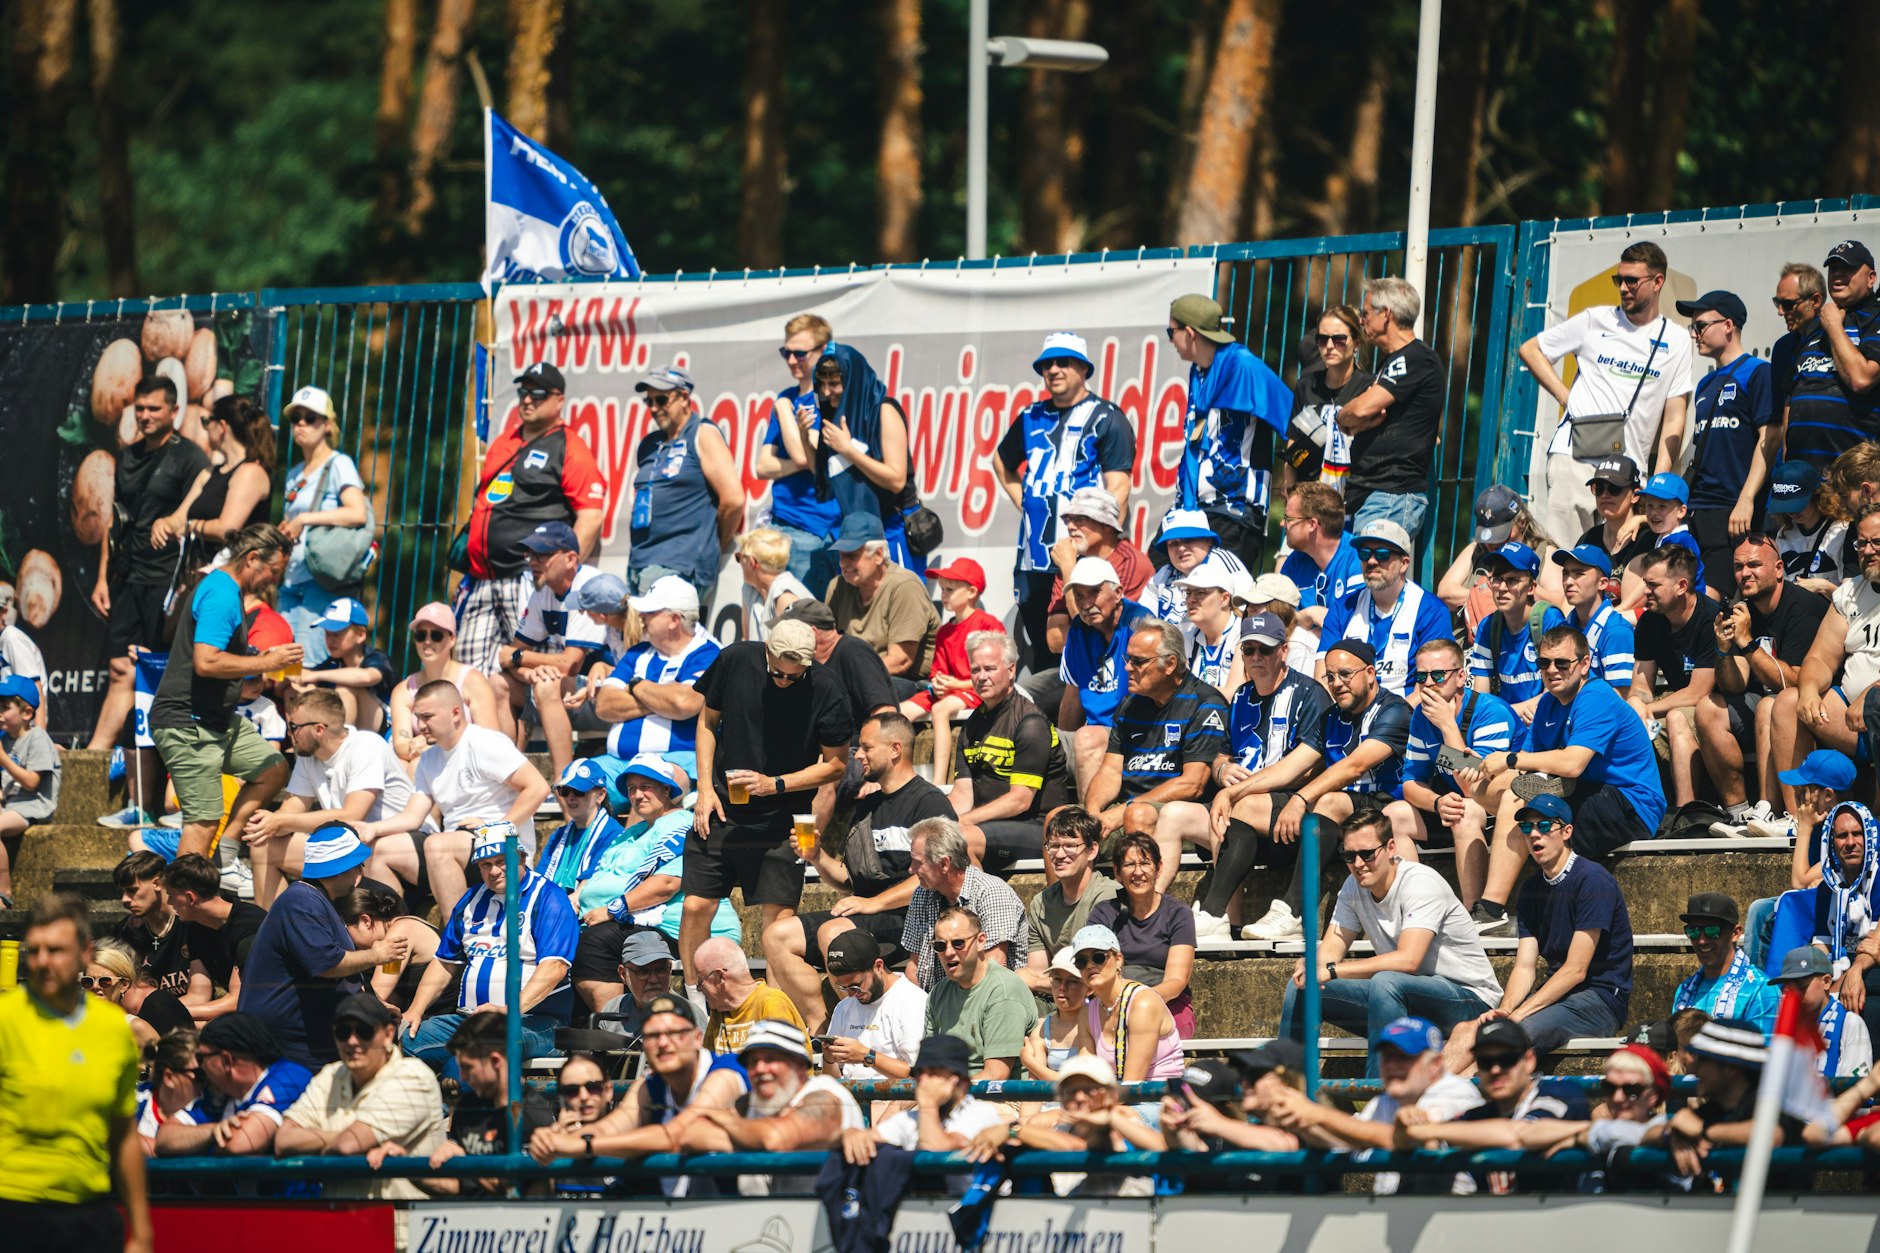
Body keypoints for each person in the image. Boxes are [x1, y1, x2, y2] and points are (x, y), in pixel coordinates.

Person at [1466, 625, 1664, 935]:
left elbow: (1572, 763)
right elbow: (1525, 773)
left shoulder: (1596, 695)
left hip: (1631, 804)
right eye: (1544, 663)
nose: (1552, 670)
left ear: (1584, 664)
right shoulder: (1547, 703)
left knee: (1520, 799)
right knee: (1488, 789)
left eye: (1562, 663)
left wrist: (1509, 758)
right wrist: (1482, 768)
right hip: (1585, 791)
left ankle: (1491, 908)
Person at [685, 620, 852, 988]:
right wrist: (704, 789)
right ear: (765, 650)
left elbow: (837, 764)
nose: (783, 681)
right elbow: (707, 721)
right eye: (776, 672)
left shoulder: (827, 687)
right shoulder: (734, 659)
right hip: (721, 805)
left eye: (795, 677)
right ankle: (698, 1000)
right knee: (695, 906)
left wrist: (775, 785)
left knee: (779, 923)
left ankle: (775, 1012)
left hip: (787, 818)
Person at [762, 711, 952, 1032]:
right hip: (864, 915)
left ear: (895, 749)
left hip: (915, 918)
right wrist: (816, 856)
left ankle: (864, 1028)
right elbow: (848, 882)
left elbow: (937, 876)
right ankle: (821, 1025)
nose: (857, 756)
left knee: (834, 933)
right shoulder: (867, 805)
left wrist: (872, 903)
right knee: (776, 935)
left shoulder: (929, 803)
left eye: (865, 747)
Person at [1280, 812, 1501, 1074]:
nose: (1359, 864)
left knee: (1386, 981)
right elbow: (1331, 949)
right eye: (1349, 856)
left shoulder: (1420, 882)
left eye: (1367, 854)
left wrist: (1330, 970)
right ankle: (1287, 1093)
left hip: (1470, 1001)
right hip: (1404, 997)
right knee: (1303, 989)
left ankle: (1378, 1097)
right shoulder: (1353, 886)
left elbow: (1409, 960)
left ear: (1391, 847)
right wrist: (1312, 966)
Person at [0, 893, 151, 1253]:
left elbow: (124, 1134)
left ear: (84, 952)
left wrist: (142, 1233)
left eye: (55, 950)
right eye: (33, 950)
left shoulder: (115, 1031)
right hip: (11, 1208)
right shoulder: (5, 1018)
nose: (41, 961)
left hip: (88, 1212)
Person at [1521, 241, 1694, 541]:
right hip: (1575, 458)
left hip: (1630, 473)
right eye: (1619, 280)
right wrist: (1567, 398)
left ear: (1657, 282)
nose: (1624, 288)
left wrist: (1657, 486)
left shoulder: (1676, 339)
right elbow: (1531, 349)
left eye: (1632, 281)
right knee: (1567, 561)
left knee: (1618, 566)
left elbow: (1674, 418)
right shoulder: (1595, 319)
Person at [1242, 640, 1413, 942]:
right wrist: (1233, 793)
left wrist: (1301, 797)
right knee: (1247, 805)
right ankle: (1215, 915)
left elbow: (1355, 766)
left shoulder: (1395, 710)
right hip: (1340, 815)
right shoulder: (1331, 717)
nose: (1336, 683)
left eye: (1345, 674)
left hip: (1384, 806)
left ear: (1371, 673)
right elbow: (1289, 767)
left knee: (1329, 799)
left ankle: (1293, 912)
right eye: (1330, 677)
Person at [147, 523, 299, 861]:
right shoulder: (221, 594)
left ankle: (225, 857)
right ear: (253, 558)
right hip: (187, 722)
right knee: (202, 822)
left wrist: (262, 661)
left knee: (273, 769)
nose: (275, 581)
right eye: (274, 571)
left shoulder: (227, 591)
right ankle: (184, 905)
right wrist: (267, 658)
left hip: (216, 720)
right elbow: (206, 661)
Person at [84, 375, 213, 755]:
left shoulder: (190, 458)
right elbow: (115, 519)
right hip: (128, 577)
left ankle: (157, 772)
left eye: (153, 408)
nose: (144, 415)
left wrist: (176, 521)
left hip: (167, 583)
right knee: (120, 669)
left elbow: (202, 506)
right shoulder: (127, 455)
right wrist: (102, 578)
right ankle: (94, 758)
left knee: (157, 674)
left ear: (174, 411)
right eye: (139, 408)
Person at [997, 330, 1136, 671]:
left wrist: (1096, 535)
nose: (1053, 370)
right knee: (1043, 646)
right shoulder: (1031, 415)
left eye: (1063, 362)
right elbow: (1002, 462)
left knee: (1088, 633)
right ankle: (1049, 719)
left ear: (1083, 369)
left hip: (1080, 554)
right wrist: (1027, 503)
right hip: (1033, 555)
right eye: (1046, 365)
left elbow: (1119, 485)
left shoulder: (1107, 416)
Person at [457, 361, 605, 677]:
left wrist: (560, 575)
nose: (527, 399)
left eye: (537, 393)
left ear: (558, 400)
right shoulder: (505, 440)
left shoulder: (570, 446)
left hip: (527, 578)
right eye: (523, 391)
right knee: (471, 676)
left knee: (532, 677)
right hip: (482, 578)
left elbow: (591, 516)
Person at [1458, 794, 1633, 1058]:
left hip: (1600, 999)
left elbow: (1576, 970)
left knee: (1506, 1040)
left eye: (1544, 826)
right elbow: (1525, 966)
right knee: (1465, 1033)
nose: (1534, 835)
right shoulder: (1531, 889)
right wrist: (1505, 1010)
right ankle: (1436, 1098)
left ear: (1566, 831)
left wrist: (1517, 1016)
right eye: (1527, 828)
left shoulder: (1593, 880)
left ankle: (1466, 1095)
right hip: (1559, 996)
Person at [525, 994, 748, 1196]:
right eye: (652, 1035)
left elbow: (678, 1134)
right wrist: (555, 1139)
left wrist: (583, 1144)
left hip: (735, 1212)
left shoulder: (724, 1073)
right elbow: (608, 1128)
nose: (663, 1043)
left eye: (674, 1033)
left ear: (697, 1038)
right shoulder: (649, 1086)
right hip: (674, 1222)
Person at [363, 679, 552, 917]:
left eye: (427, 717)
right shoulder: (428, 759)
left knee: (436, 844)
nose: (420, 725)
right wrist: (370, 829)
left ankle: (458, 944)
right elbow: (412, 816)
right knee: (378, 849)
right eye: (417, 717)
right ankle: (398, 931)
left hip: (500, 845)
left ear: (455, 713)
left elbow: (538, 787)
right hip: (455, 846)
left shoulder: (484, 742)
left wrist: (497, 827)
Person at [398, 822, 577, 1066]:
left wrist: (507, 1011)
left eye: (502, 861)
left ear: (522, 857)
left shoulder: (549, 898)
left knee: (487, 1043)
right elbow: (444, 962)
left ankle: (460, 1098)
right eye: (485, 864)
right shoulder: (471, 899)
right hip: (469, 1020)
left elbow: (554, 967)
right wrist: (415, 1010)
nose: (494, 871)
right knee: (409, 1038)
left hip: (535, 1020)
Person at [571, 755, 740, 1012]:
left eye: (646, 786)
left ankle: (618, 1030)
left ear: (666, 789)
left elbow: (667, 883)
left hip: (682, 929)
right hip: (636, 923)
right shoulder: (630, 833)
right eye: (631, 789)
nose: (637, 794)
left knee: (598, 942)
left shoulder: (681, 823)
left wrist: (611, 909)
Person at [238, 821, 411, 1069]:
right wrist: (376, 955)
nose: (359, 875)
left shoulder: (317, 901)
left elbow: (336, 974)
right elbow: (327, 965)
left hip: (308, 1039)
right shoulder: (301, 901)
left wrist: (375, 1005)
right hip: (286, 1045)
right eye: (357, 867)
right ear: (340, 869)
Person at [1081, 620, 1229, 892]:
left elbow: (1192, 784)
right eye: (1127, 659)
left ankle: (1139, 914)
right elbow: (1110, 771)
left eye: (1137, 661)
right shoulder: (1129, 705)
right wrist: (1093, 816)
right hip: (1129, 810)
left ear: (1170, 664)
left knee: (1137, 814)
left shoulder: (1206, 704)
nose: (1127, 668)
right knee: (1062, 824)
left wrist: (1122, 812)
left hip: (1175, 818)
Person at [1264, 1015, 1482, 1195]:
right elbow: (1343, 1140)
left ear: (1435, 1065)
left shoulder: (1456, 1092)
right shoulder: (1386, 1101)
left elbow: (1408, 1135)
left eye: (1403, 1057)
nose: (1392, 1065)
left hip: (1456, 1221)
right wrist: (1301, 1121)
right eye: (1387, 1057)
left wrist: (1317, 1114)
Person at [1699, 534, 1830, 833]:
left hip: (1812, 710)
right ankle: (1739, 815)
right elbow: (1734, 685)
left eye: (1754, 565)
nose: (1745, 573)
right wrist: (1723, 650)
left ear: (1779, 568)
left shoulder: (1802, 607)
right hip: (1764, 712)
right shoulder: (1742, 608)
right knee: (1708, 709)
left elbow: (1794, 681)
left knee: (1771, 704)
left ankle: (1774, 810)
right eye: (1738, 566)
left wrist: (1746, 643)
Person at [242, 688, 414, 907]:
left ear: (319, 729)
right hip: (350, 845)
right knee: (264, 844)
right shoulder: (308, 756)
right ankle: (274, 931)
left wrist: (281, 821)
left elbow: (352, 815)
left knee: (362, 847)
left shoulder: (366, 744)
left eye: (294, 726)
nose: (289, 733)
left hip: (394, 842)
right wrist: (269, 824)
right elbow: (291, 811)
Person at [272, 990, 445, 1199]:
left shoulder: (413, 1076)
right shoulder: (331, 1074)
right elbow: (283, 1140)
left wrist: (314, 1154)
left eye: (364, 1031)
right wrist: (350, 1139)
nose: (352, 1041)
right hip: (342, 1223)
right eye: (343, 1032)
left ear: (389, 1034)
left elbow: (347, 1147)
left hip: (399, 1224)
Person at [1165, 293, 1294, 568]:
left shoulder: (1244, 366)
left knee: (1219, 599)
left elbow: (1294, 422)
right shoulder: (1199, 372)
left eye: (1171, 332)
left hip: (1234, 512)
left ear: (1189, 333)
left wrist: (1293, 483)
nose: (1170, 340)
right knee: (1159, 590)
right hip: (1192, 507)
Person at [1386, 639, 1518, 904]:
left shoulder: (1491, 712)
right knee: (1393, 815)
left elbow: (1475, 787)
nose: (1429, 684)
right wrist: (1437, 803)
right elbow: (1411, 782)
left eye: (1438, 675)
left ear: (1460, 677)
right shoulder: (1422, 718)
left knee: (1464, 810)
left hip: (1501, 807)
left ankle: (1476, 912)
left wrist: (1448, 727)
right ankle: (1417, 909)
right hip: (1453, 801)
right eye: (1421, 676)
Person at [671, 1019, 865, 1189]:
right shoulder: (750, 1102)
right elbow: (690, 1135)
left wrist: (724, 1119)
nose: (760, 1069)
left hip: (829, 1221)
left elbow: (775, 1138)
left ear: (799, 1065)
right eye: (753, 1062)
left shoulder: (826, 1096)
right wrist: (750, 1137)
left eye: (771, 1059)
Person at [1678, 290, 1779, 597]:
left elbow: (1770, 437)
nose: (1695, 334)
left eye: (1701, 325)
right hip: (1699, 510)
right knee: (1683, 594)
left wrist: (1747, 498)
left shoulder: (1758, 372)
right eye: (1692, 328)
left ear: (1728, 325)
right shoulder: (1706, 384)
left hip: (1734, 509)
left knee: (1713, 597)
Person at [1335, 277, 1446, 542]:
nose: (1362, 320)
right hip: (1373, 494)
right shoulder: (1395, 361)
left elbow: (1361, 410)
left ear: (1386, 315)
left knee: (1374, 579)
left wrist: (1342, 415)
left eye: (1365, 313)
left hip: (1391, 496)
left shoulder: (1416, 358)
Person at [948, 631, 1072, 869]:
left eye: (990, 668)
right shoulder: (971, 726)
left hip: (1039, 827)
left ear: (1012, 670)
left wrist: (963, 821)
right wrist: (938, 818)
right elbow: (962, 794)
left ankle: (980, 906)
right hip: (990, 824)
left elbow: (1020, 801)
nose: (981, 677)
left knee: (961, 838)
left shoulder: (1031, 722)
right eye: (975, 670)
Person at [270, 385, 373, 663]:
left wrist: (304, 519)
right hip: (291, 579)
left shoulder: (339, 463)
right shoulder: (294, 474)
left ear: (327, 425)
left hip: (319, 579)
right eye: (296, 418)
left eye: (310, 417)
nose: (301, 424)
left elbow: (357, 512)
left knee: (309, 663)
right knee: (283, 666)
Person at [627, 364, 744, 607]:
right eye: (649, 402)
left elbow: (733, 500)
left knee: (664, 642)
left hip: (679, 566)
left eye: (661, 399)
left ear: (684, 397)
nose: (655, 408)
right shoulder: (649, 443)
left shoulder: (702, 433)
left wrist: (713, 543)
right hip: (640, 561)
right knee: (639, 644)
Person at [1781, 503, 1880, 786]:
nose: (1868, 551)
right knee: (1789, 702)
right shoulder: (1850, 592)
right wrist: (1809, 690)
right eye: (1861, 543)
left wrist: (1873, 695)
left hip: (1874, 706)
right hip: (1850, 711)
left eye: (1877, 542)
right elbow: (1822, 658)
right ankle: (1792, 815)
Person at [497, 521, 611, 764]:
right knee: (498, 683)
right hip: (577, 691)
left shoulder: (589, 586)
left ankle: (564, 779)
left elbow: (569, 664)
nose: (533, 561)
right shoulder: (543, 591)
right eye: (531, 554)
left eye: (543, 554)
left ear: (571, 559)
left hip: (609, 689)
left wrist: (520, 659)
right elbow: (506, 658)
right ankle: (504, 772)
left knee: (547, 684)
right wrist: (528, 674)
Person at [1767, 801, 1880, 1039]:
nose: (1850, 842)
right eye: (1842, 836)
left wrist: (1856, 970)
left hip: (1870, 971)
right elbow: (1822, 946)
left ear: (1869, 836)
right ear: (1832, 843)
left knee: (1866, 1006)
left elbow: (1876, 943)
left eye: (1857, 834)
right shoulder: (1829, 886)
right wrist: (1818, 978)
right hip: (1844, 968)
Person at [420, 1011, 559, 1194]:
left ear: (495, 1061)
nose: (462, 1076)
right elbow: (459, 1186)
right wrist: (400, 1159)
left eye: (468, 1067)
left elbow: (519, 1191)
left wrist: (466, 1163)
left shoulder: (531, 1115)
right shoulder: (468, 1105)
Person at [809, 343, 918, 573]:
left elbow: (896, 479)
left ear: (853, 380)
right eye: (823, 385)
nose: (827, 392)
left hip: (891, 527)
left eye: (835, 384)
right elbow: (822, 477)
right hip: (855, 532)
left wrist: (849, 451)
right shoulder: (835, 415)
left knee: (898, 604)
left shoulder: (884, 411)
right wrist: (803, 433)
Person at [839, 1032, 1010, 1179]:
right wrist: (852, 1134)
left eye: (935, 1073)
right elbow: (871, 1137)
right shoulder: (912, 1119)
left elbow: (935, 1150)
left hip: (980, 1211)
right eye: (920, 1074)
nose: (924, 1081)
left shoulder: (981, 1112)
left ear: (961, 1082)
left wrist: (928, 1103)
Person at [756, 313, 843, 595]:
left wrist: (783, 411)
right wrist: (804, 461)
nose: (792, 360)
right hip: (781, 523)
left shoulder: (830, 399)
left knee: (803, 623)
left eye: (800, 354)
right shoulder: (788, 396)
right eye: (787, 353)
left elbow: (807, 455)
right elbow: (762, 466)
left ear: (824, 350)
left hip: (815, 528)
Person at [1316, 519, 1452, 698]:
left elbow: (1432, 686)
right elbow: (1322, 678)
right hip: (1350, 716)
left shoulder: (1431, 612)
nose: (1371, 561)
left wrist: (1387, 722)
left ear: (1404, 563)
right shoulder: (1343, 608)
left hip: (1404, 718)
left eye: (1382, 554)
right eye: (1364, 553)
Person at [594, 574, 720, 765]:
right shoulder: (637, 653)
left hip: (675, 762)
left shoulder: (708, 653)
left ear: (674, 620)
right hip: (619, 761)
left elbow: (684, 703)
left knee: (649, 782)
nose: (641, 616)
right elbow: (604, 706)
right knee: (571, 784)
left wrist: (635, 685)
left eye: (650, 612)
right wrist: (663, 703)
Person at [1652, 1017, 1800, 1179]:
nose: (1693, 1068)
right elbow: (1645, 1135)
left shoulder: (1772, 1102)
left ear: (1731, 1067)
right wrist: (1673, 1133)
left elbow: (1771, 1134)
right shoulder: (1715, 1109)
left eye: (1702, 1060)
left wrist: (1703, 1130)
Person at [1056, 557, 1155, 793]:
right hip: (1093, 735)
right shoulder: (1079, 629)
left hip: (1136, 732)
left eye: (1094, 592)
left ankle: (1088, 823)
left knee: (1087, 738)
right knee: (1034, 740)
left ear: (1118, 592)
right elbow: (1072, 698)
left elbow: (1158, 693)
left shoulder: (1141, 623)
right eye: (1079, 596)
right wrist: (1060, 744)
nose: (1086, 603)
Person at [1630, 544, 1717, 806]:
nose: (1645, 591)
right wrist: (1636, 704)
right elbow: (1641, 684)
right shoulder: (1650, 621)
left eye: (1653, 585)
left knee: (1676, 717)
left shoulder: (1710, 618)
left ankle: (1685, 810)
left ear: (1681, 586)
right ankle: (1642, 809)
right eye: (1645, 583)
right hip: (1676, 701)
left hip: (1714, 705)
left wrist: (1649, 710)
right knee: (1629, 718)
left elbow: (1698, 691)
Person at [153, 1012, 311, 1157]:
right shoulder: (219, 1094)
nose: (201, 1066)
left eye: (202, 1058)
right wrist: (214, 1130)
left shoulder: (289, 1076)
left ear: (226, 1061)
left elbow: (240, 1143)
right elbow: (164, 1138)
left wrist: (202, 1140)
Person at [1088, 833, 1198, 1037]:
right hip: (1112, 1001)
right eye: (1129, 865)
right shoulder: (1103, 914)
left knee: (1145, 1030)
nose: (1138, 872)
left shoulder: (1178, 914)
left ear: (1159, 868)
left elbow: (1176, 981)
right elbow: (1095, 969)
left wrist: (1139, 1001)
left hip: (1167, 1002)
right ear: (1117, 872)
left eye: (1145, 863)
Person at [901, 557, 1002, 777]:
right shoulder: (945, 631)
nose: (943, 595)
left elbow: (998, 672)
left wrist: (958, 684)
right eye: (942, 589)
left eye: (950, 589)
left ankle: (938, 782)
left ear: (972, 592)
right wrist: (937, 684)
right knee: (899, 713)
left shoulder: (987, 624)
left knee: (940, 710)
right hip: (950, 692)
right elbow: (938, 671)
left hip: (974, 691)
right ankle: (901, 777)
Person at [1006, 1054, 1167, 1191]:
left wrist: (1111, 1118)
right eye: (1071, 1091)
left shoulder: (1124, 1122)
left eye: (1090, 1090)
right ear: (1061, 1097)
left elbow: (1161, 1148)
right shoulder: (1054, 1124)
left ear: (1111, 1095)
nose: (1080, 1098)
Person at [901, 818, 1029, 988]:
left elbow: (995, 966)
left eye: (918, 862)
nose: (911, 869)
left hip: (991, 1000)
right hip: (937, 1003)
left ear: (944, 864)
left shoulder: (991, 892)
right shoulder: (922, 894)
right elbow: (914, 967)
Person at [1785, 240, 1880, 468]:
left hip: (1851, 476)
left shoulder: (1874, 318)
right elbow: (1792, 397)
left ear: (1871, 278)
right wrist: (1787, 464)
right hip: (1801, 475)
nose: (1838, 275)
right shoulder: (1815, 325)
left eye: (1848, 269)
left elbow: (1861, 378)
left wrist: (1835, 327)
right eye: (1833, 269)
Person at [828, 512, 940, 700]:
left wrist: (847, 676)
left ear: (878, 555)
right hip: (858, 677)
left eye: (852, 556)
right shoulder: (838, 586)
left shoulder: (904, 586)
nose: (843, 564)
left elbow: (900, 661)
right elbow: (826, 645)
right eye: (841, 555)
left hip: (907, 682)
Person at [155, 392, 274, 560]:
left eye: (206, 422)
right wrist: (163, 524)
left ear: (222, 426)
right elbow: (180, 518)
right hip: (197, 573)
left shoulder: (251, 472)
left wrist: (192, 526)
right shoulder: (210, 471)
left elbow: (226, 530)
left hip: (230, 578)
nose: (205, 428)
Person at [922, 906, 1036, 1079]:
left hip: (1003, 1097)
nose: (949, 952)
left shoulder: (1003, 990)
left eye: (958, 943)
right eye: (940, 945)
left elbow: (996, 1075)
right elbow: (928, 1067)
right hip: (950, 1092)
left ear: (981, 941)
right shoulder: (939, 992)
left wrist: (940, 1096)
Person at [1041, 487, 1154, 659]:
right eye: (1068, 520)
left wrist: (1069, 570)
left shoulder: (1131, 562)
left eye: (1079, 519)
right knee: (1024, 687)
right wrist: (1068, 568)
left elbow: (1112, 635)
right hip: (1077, 662)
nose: (1070, 526)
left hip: (1125, 664)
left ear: (1107, 525)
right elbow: (1054, 641)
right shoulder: (1069, 562)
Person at [387, 602, 501, 772]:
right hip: (423, 761)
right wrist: (415, 745)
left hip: (469, 763)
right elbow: (401, 745)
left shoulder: (473, 681)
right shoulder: (403, 690)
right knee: (403, 766)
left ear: (452, 639)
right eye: (420, 635)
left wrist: (435, 746)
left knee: (416, 767)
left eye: (436, 635)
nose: (427, 641)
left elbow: (492, 740)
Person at [1017, 807, 1120, 993]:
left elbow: (1099, 976)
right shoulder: (1041, 903)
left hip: (1099, 999)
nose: (1059, 854)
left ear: (1092, 850)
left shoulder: (1108, 897)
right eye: (1054, 846)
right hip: (1056, 998)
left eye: (1070, 846)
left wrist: (1040, 982)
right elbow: (1036, 972)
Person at [1070, 923, 1184, 1089]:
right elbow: (1086, 1076)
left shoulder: (1143, 1003)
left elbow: (1132, 1083)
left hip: (1159, 1100)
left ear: (1118, 960)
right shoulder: (1087, 1011)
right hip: (1114, 1099)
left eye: (1098, 957)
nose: (1089, 965)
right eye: (1081, 961)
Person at [160, 854, 266, 1023]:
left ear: (190, 898)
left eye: (171, 895)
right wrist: (155, 1013)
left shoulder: (250, 926)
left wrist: (172, 1013)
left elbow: (237, 1002)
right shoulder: (195, 924)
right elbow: (198, 994)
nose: (169, 902)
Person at [1282, 304, 1375, 495]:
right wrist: (1291, 493)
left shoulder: (1370, 387)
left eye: (1339, 339)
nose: (1329, 346)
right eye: (1322, 339)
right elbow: (1293, 441)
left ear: (1357, 342)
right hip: (1309, 496)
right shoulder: (1306, 385)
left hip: (1353, 497)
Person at [1467, 543, 1565, 717]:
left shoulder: (1550, 621)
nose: (1502, 588)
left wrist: (1504, 713)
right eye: (1497, 579)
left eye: (1512, 580)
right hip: (1505, 721)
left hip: (1543, 717)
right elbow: (1482, 694)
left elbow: (1560, 687)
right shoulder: (1488, 627)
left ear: (1531, 588)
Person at [821, 929, 928, 1082]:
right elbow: (830, 1082)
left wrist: (867, 1056)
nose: (851, 994)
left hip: (895, 1101)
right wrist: (829, 1058)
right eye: (843, 988)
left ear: (878, 966)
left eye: (856, 985)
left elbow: (919, 1075)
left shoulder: (912, 1002)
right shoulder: (844, 1008)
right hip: (851, 1100)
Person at [1672, 891, 1779, 1034]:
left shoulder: (1761, 991)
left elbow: (1766, 1053)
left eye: (1712, 930)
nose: (1702, 940)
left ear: (1735, 933)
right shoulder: (1684, 990)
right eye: (1694, 931)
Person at [110, 850, 201, 1001]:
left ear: (157, 883)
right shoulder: (124, 933)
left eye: (132, 890)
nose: (124, 899)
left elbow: (200, 995)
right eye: (122, 892)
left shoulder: (192, 922)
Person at [1773, 944, 1872, 1079]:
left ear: (1826, 981)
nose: (1794, 996)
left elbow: (1856, 1086)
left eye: (1801, 988)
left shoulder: (1850, 1023)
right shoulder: (1786, 1024)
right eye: (1788, 989)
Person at [694, 936, 805, 1055]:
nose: (700, 990)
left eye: (701, 982)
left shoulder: (771, 1003)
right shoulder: (720, 1008)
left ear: (720, 977)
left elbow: (784, 1065)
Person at [1277, 482, 1364, 630]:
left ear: (1312, 524)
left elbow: (1356, 625)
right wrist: (1308, 615)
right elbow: (1279, 621)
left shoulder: (1358, 557)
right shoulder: (1294, 561)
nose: (1282, 524)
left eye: (1288, 519)